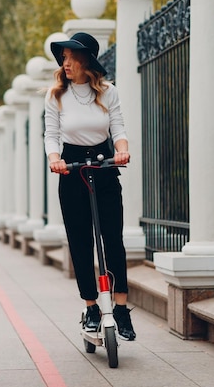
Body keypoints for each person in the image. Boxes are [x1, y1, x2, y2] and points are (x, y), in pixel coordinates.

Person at [44, 32, 136, 341]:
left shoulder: (108, 92)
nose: (65, 62)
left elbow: (118, 127)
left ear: (86, 61)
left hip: (105, 166)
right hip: (70, 170)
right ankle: (92, 307)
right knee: (80, 243)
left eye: (71, 57)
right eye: (64, 57)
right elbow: (51, 134)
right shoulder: (56, 94)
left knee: (113, 239)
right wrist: (54, 158)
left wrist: (121, 150)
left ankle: (121, 308)